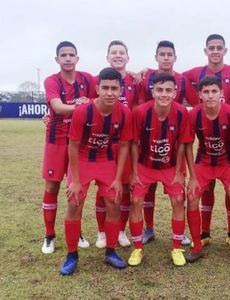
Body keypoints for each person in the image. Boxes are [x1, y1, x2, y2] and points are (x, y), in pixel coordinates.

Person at [59, 67, 132, 275]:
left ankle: (110, 252)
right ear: (97, 88)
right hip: (82, 160)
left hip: (105, 159)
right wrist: (74, 180)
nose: (110, 92)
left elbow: (125, 145)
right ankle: (71, 255)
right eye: (106, 88)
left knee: (114, 202)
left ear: (120, 90)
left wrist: (118, 179)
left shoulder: (124, 112)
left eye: (114, 88)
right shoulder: (84, 111)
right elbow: (72, 145)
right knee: (74, 202)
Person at [183, 34, 230, 248]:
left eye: (219, 47)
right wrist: (147, 71)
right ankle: (203, 234)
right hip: (205, 151)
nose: (215, 51)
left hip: (227, 150)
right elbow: (176, 77)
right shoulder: (196, 74)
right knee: (204, 192)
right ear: (206, 51)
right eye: (211, 47)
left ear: (225, 50)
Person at [137, 40, 198, 246]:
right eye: (161, 54)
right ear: (156, 57)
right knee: (147, 192)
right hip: (149, 139)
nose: (165, 57)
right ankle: (149, 229)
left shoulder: (182, 80)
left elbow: (195, 102)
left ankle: (180, 234)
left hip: (173, 141)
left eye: (169, 54)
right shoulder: (146, 77)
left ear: (174, 57)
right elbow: (136, 101)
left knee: (178, 193)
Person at [128, 73, 191, 267]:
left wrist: (180, 171)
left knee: (179, 200)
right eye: (160, 90)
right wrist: (133, 172)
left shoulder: (181, 112)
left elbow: (182, 143)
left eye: (168, 90)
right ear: (153, 91)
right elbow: (133, 143)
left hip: (170, 166)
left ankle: (176, 247)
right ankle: (138, 248)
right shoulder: (140, 112)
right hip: (144, 166)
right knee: (136, 200)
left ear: (175, 92)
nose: (164, 94)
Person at [41, 41, 95, 254]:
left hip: (79, 142)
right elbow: (58, 107)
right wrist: (81, 106)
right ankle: (49, 235)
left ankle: (77, 231)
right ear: (57, 59)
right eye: (63, 55)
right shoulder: (51, 81)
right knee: (52, 187)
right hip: (56, 140)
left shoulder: (87, 79)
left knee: (77, 190)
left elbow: (104, 88)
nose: (68, 58)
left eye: (71, 55)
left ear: (77, 58)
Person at [185, 76, 230, 264]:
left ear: (221, 93)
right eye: (206, 92)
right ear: (200, 94)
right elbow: (187, 145)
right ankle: (196, 246)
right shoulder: (194, 114)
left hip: (226, 163)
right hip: (204, 161)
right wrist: (192, 176)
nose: (210, 96)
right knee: (192, 197)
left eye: (214, 91)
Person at [95, 40, 138, 249]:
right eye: (114, 52)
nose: (118, 55)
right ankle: (102, 232)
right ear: (108, 57)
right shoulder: (99, 79)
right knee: (103, 190)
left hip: (125, 143)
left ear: (127, 57)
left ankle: (121, 230)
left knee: (126, 189)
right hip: (103, 144)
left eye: (122, 52)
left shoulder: (135, 80)